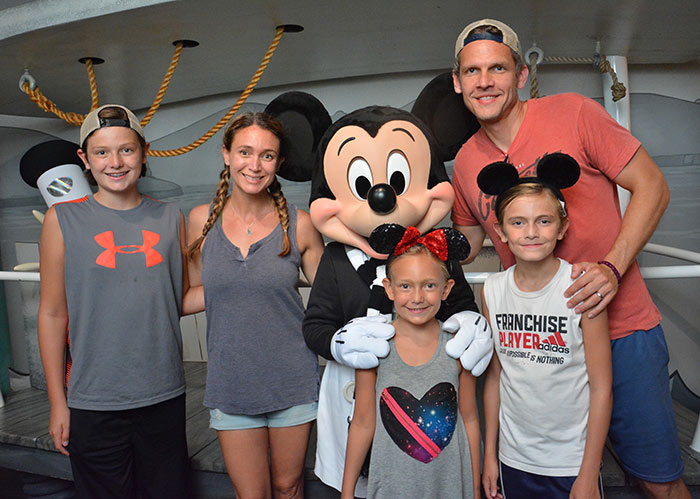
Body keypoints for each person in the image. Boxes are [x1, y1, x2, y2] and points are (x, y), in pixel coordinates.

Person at [450, 18, 689, 498]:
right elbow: (468, 244)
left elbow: (653, 186)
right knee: (547, 477)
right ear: (457, 83)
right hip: (537, 350)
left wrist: (612, 266)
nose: (484, 81)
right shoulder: (465, 163)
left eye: (497, 68)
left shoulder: (574, 113)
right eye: (472, 71)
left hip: (620, 331)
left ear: (519, 74)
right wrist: (393, 240)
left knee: (656, 481)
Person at [38, 104, 190, 498]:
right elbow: (53, 314)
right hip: (93, 400)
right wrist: (59, 403)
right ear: (84, 160)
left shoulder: (171, 217)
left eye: (126, 149)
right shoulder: (62, 221)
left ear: (144, 151)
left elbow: (180, 296)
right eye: (102, 152)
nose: (115, 162)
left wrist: (252, 281)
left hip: (164, 394)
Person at [186, 111, 325, 499]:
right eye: (245, 152)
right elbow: (187, 296)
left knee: (288, 486)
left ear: (279, 164)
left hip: (292, 377)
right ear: (226, 155)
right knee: (251, 494)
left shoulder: (300, 224)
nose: (254, 164)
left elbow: (331, 296)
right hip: (231, 381)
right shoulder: (200, 221)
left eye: (267, 155)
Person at [478, 156, 611, 498]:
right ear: (501, 232)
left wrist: (588, 472)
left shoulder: (581, 285)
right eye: (518, 222)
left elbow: (601, 388)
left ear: (562, 227)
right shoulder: (492, 291)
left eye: (544, 221)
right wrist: (490, 456)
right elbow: (495, 378)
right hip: (514, 459)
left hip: (570, 463)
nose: (532, 232)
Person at [341, 225, 481, 499]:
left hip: (449, 487)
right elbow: (362, 423)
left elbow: (470, 420)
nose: (417, 298)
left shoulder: (459, 346)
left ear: (446, 288)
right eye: (406, 286)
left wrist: (474, 489)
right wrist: (347, 492)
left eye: (429, 285)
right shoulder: (374, 349)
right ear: (389, 289)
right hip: (391, 488)